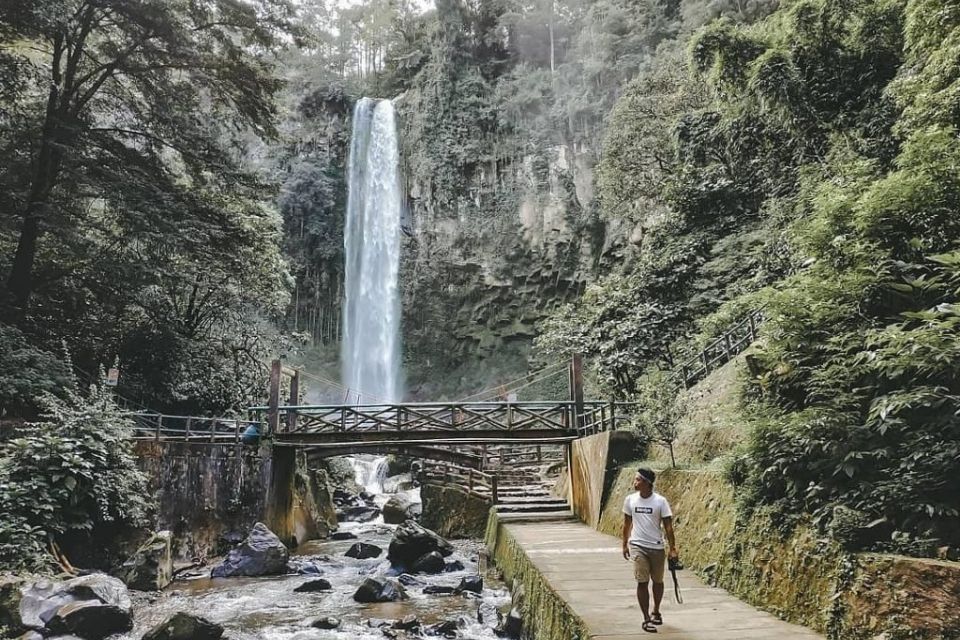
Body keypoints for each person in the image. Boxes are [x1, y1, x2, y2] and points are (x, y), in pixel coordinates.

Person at [621, 467, 678, 633]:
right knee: (642, 581)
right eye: (635, 479)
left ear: (647, 483)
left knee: (658, 582)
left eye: (638, 479)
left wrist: (673, 548)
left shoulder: (660, 501)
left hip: (657, 547)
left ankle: (656, 611)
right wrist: (625, 544)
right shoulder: (630, 500)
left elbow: (668, 526)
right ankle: (646, 618)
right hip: (638, 546)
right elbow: (626, 523)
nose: (635, 482)